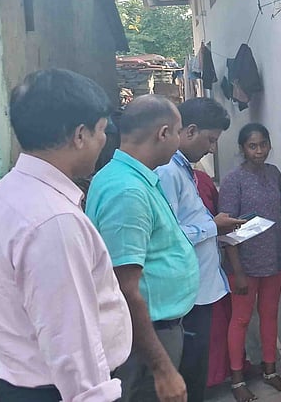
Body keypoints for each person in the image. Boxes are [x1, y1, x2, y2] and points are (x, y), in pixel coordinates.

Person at [0, 69, 132, 402]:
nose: (104, 141)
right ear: (80, 135)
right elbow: (71, 342)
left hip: (24, 385)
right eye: (102, 131)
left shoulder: (2, 194)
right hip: (59, 392)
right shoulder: (53, 220)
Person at [86, 95, 199, 402]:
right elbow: (125, 288)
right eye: (177, 132)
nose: (178, 141)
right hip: (147, 338)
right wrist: (162, 368)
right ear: (163, 133)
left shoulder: (135, 179)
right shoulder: (127, 191)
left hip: (158, 329)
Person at [155, 98, 246, 402]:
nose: (212, 149)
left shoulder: (185, 170)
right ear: (190, 130)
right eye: (211, 140)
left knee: (196, 373)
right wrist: (213, 227)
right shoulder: (168, 173)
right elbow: (166, 235)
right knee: (189, 375)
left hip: (200, 289)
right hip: (187, 296)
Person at [218, 124, 281, 402]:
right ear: (242, 149)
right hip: (244, 265)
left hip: (273, 259)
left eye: (263, 144)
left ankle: (270, 370)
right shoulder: (233, 181)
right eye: (252, 146)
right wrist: (237, 270)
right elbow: (226, 228)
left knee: (270, 315)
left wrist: (280, 255)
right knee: (240, 320)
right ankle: (237, 381)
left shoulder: (274, 174)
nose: (259, 150)